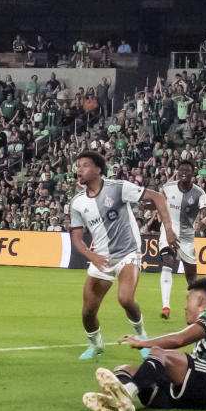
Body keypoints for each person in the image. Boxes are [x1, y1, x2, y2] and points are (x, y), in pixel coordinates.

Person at [69, 150, 178, 360]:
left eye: (84, 165)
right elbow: (76, 239)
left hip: (128, 252)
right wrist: (91, 256)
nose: (79, 169)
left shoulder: (118, 188)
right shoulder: (77, 202)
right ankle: (96, 344)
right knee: (87, 312)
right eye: (78, 166)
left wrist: (169, 228)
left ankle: (142, 337)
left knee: (126, 299)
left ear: (98, 169)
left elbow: (156, 197)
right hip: (101, 258)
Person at [83, 278, 206, 411]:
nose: (184, 307)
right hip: (196, 389)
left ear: (199, 300)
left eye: (187, 300)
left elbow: (180, 339)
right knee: (124, 369)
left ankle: (126, 392)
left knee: (160, 353)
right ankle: (118, 402)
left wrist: (143, 343)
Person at [155, 159, 206, 319]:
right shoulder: (167, 188)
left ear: (193, 174)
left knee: (191, 278)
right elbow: (158, 203)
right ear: (177, 173)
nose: (183, 173)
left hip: (187, 236)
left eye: (187, 170)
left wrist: (204, 222)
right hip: (169, 230)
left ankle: (199, 308)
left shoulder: (199, 193)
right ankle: (166, 306)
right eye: (181, 170)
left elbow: (205, 212)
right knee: (167, 262)